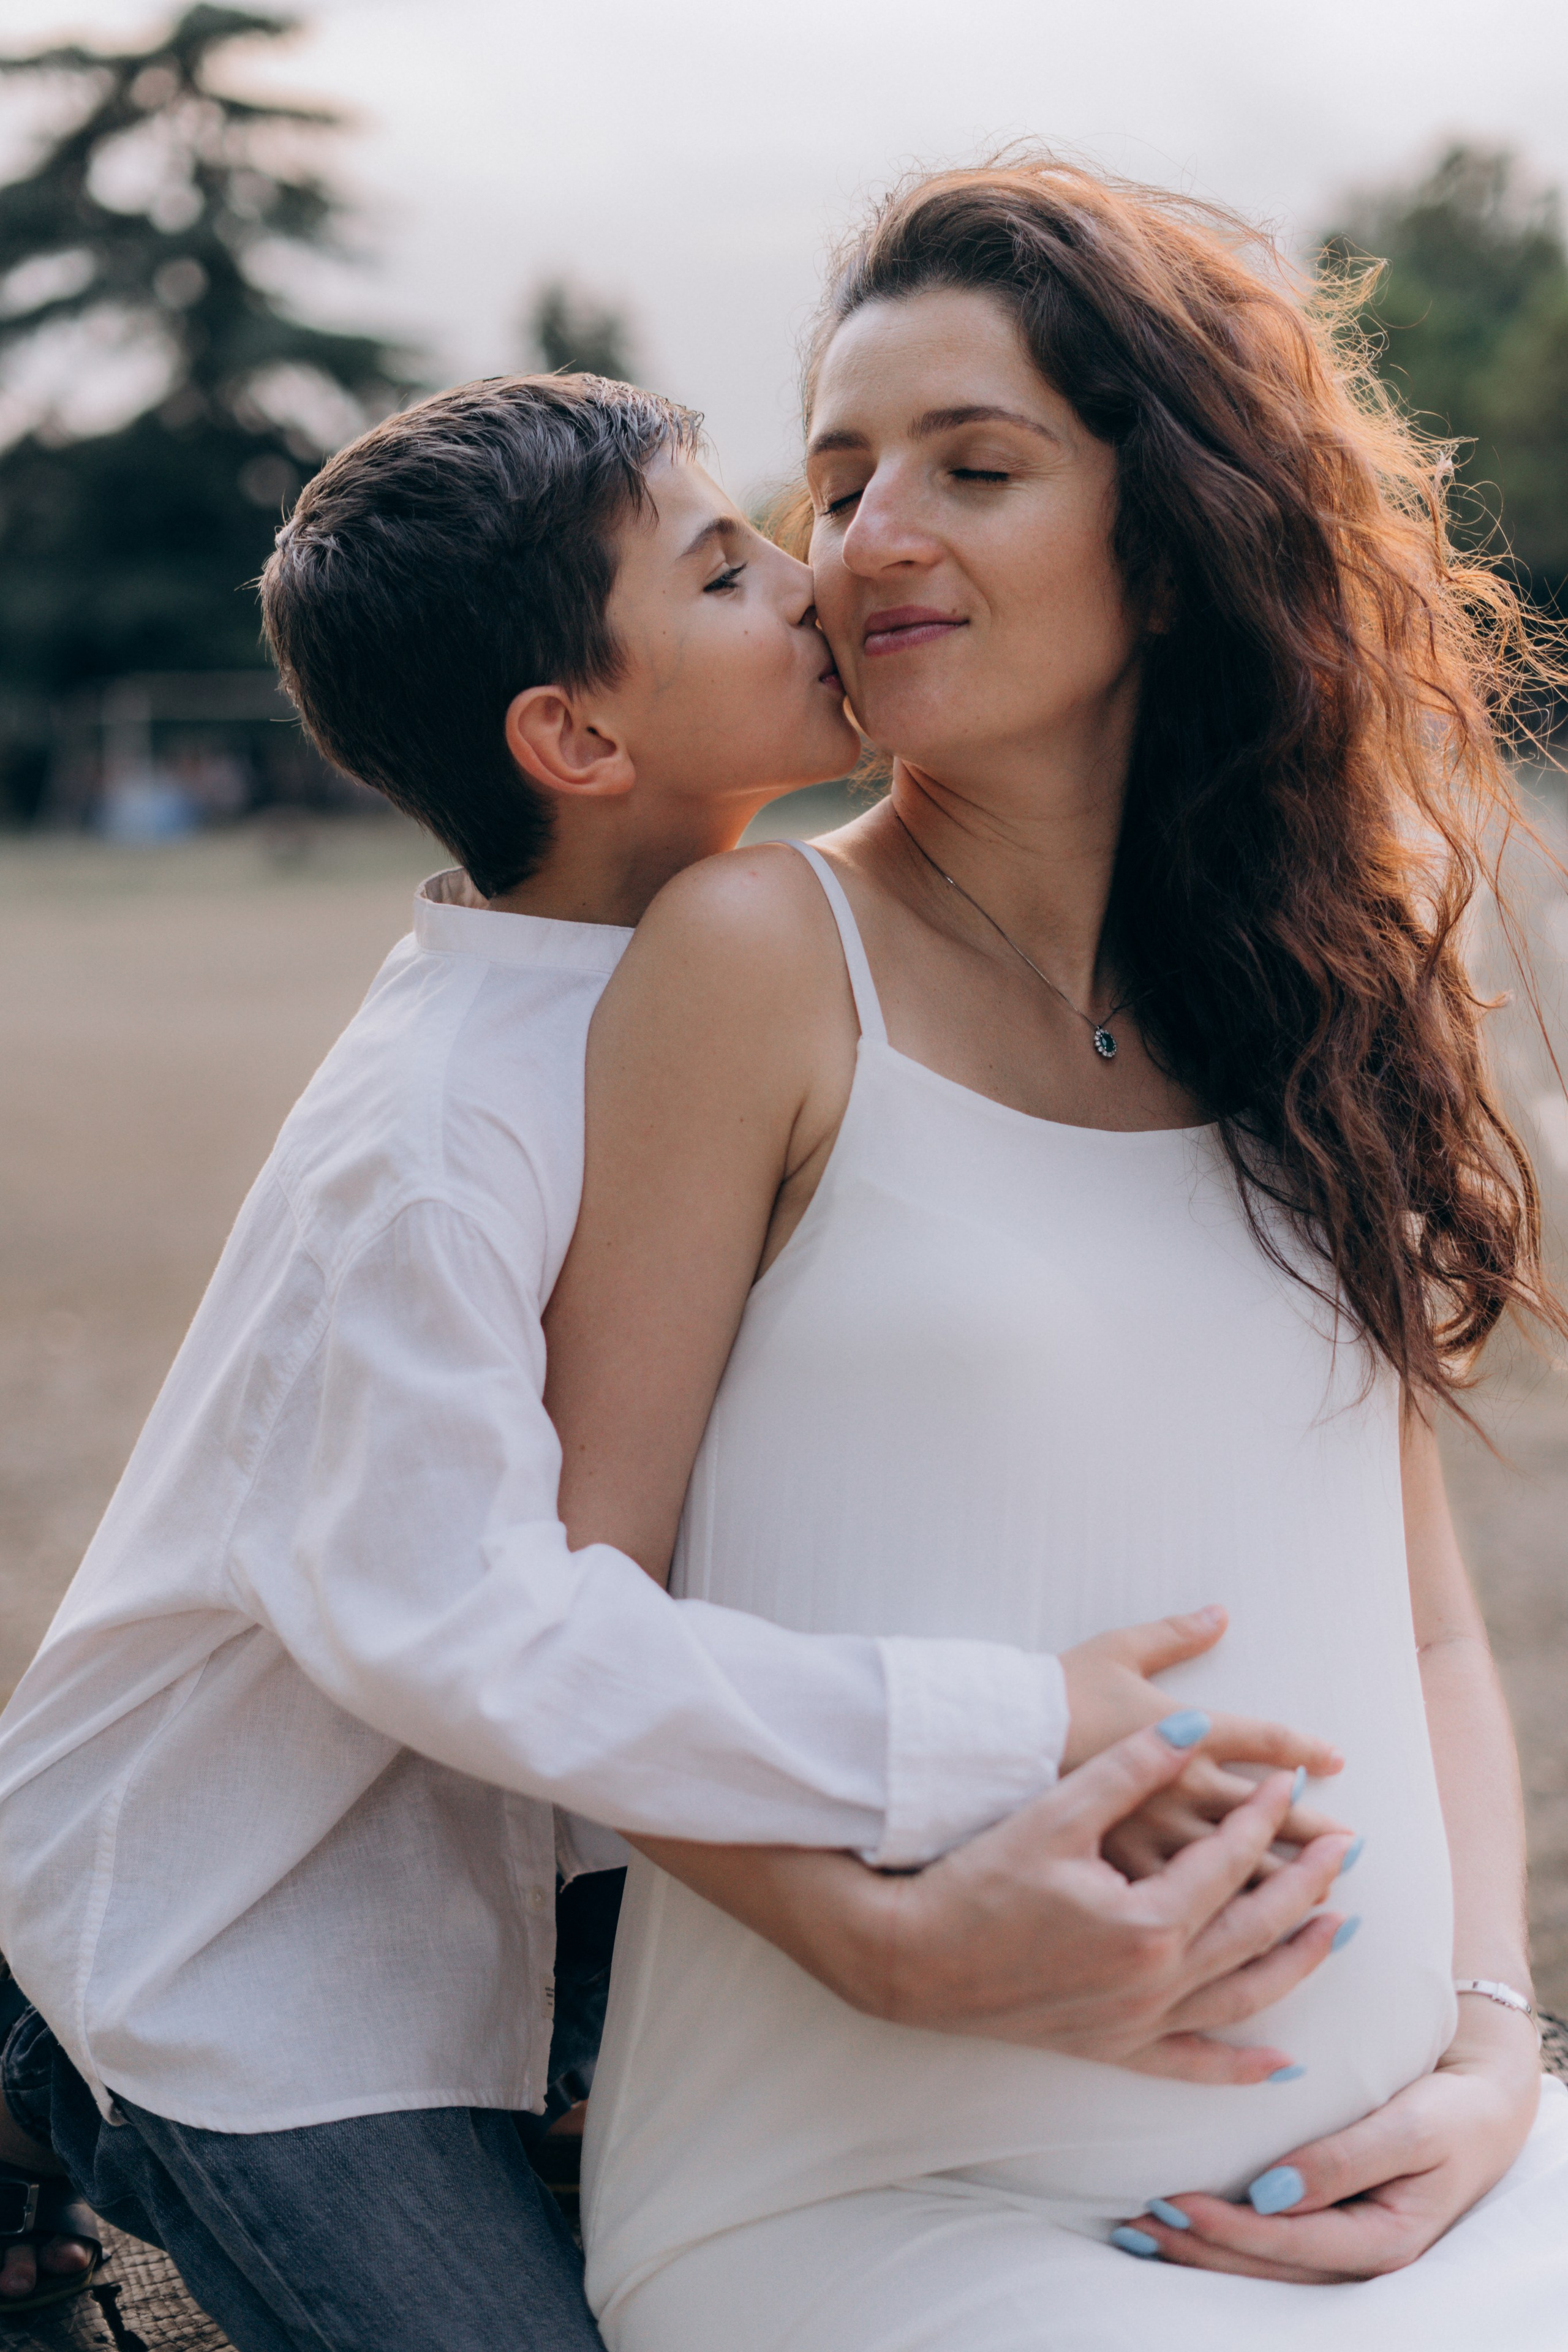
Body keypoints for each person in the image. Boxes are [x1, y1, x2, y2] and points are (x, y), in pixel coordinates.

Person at [0, 374, 1348, 2348]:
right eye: (725, 569)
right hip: (245, 1930)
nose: (809, 583)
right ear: (576, 734)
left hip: (546, 1877)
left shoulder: (750, 974)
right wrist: (996, 1724)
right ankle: (40, 2068)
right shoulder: (436, 1146)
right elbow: (466, 1623)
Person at [541, 159, 1568, 2350]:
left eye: (972, 466)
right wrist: (876, 1941)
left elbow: (1430, 1642)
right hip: (886, 2189)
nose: (865, 536)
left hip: (1420, 2170)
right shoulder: (757, 957)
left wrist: (1494, 2053)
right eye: (835, 476)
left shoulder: (1317, 989)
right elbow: (553, 1628)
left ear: (1176, 541)